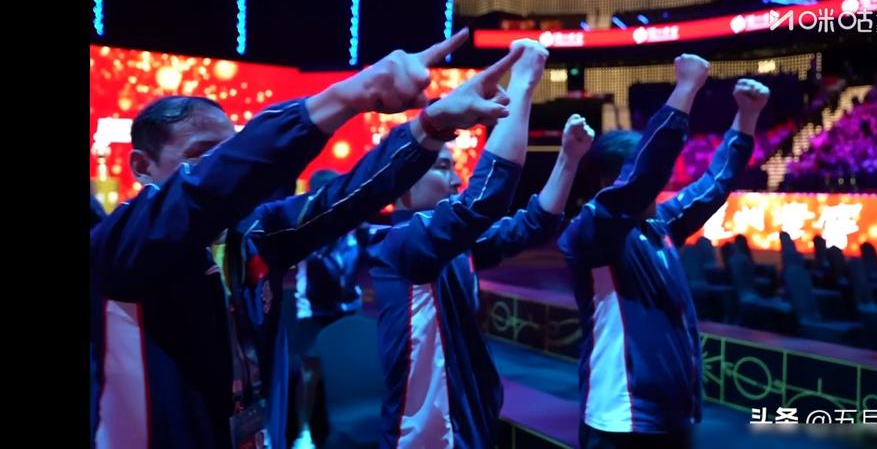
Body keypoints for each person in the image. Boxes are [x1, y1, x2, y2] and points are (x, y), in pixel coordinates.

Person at [91, 28, 527, 448]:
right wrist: (351, 94)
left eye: (228, 150)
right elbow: (207, 189)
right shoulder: (121, 243)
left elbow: (349, 196)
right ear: (142, 167)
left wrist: (431, 126)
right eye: (202, 155)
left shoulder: (255, 236)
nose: (226, 168)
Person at [367, 40, 594, 448]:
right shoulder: (400, 243)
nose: (455, 179)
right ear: (402, 184)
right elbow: (483, 201)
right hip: (429, 437)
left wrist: (568, 159)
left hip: (468, 421)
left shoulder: (450, 244)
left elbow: (532, 225)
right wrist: (523, 85)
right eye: (442, 168)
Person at [558, 54, 771, 448]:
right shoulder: (590, 233)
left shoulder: (660, 224)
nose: (659, 184)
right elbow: (644, 174)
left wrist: (746, 117)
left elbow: (714, 184)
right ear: (610, 181)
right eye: (648, 177)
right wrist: (685, 89)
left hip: (675, 416)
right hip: (621, 423)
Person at [288, 169, 367, 449]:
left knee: (348, 370)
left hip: (348, 309)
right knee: (312, 375)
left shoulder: (355, 226)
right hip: (314, 312)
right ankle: (303, 433)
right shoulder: (305, 229)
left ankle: (346, 429)